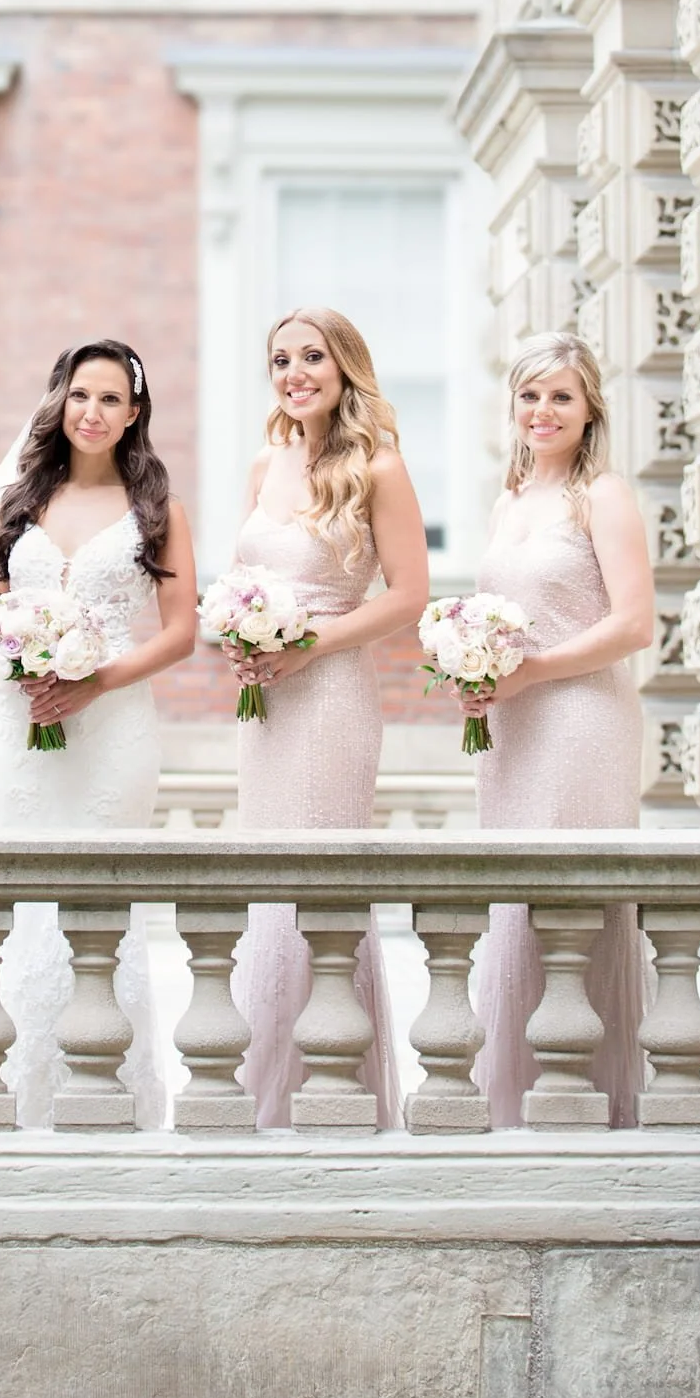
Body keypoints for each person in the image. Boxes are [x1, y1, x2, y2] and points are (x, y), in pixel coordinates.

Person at [224, 307, 430, 1127]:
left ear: (345, 367)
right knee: (264, 876)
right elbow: (239, 580)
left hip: (330, 693)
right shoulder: (261, 465)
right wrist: (242, 635)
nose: (294, 372)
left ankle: (330, 1088)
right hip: (265, 700)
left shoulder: (379, 467)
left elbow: (410, 598)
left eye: (311, 356)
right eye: (280, 359)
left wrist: (312, 646)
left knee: (318, 877)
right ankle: (263, 1085)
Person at [0, 340, 199, 1123]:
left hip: (113, 729)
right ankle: (26, 1093)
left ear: (134, 413)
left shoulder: (157, 512)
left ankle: (116, 1097)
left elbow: (179, 634)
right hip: (25, 725)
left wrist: (93, 681)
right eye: (81, 395)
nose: (92, 412)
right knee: (31, 901)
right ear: (59, 401)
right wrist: (28, 673)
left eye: (111, 399)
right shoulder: (17, 504)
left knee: (106, 902)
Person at [468, 332, 655, 1128]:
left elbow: (634, 624)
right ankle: (518, 1093)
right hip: (510, 725)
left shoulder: (602, 496)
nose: (541, 411)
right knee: (514, 898)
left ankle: (592, 1093)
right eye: (529, 395)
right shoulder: (508, 500)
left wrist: (533, 672)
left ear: (588, 411)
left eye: (559, 397)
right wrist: (473, 671)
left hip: (579, 719)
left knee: (569, 900)